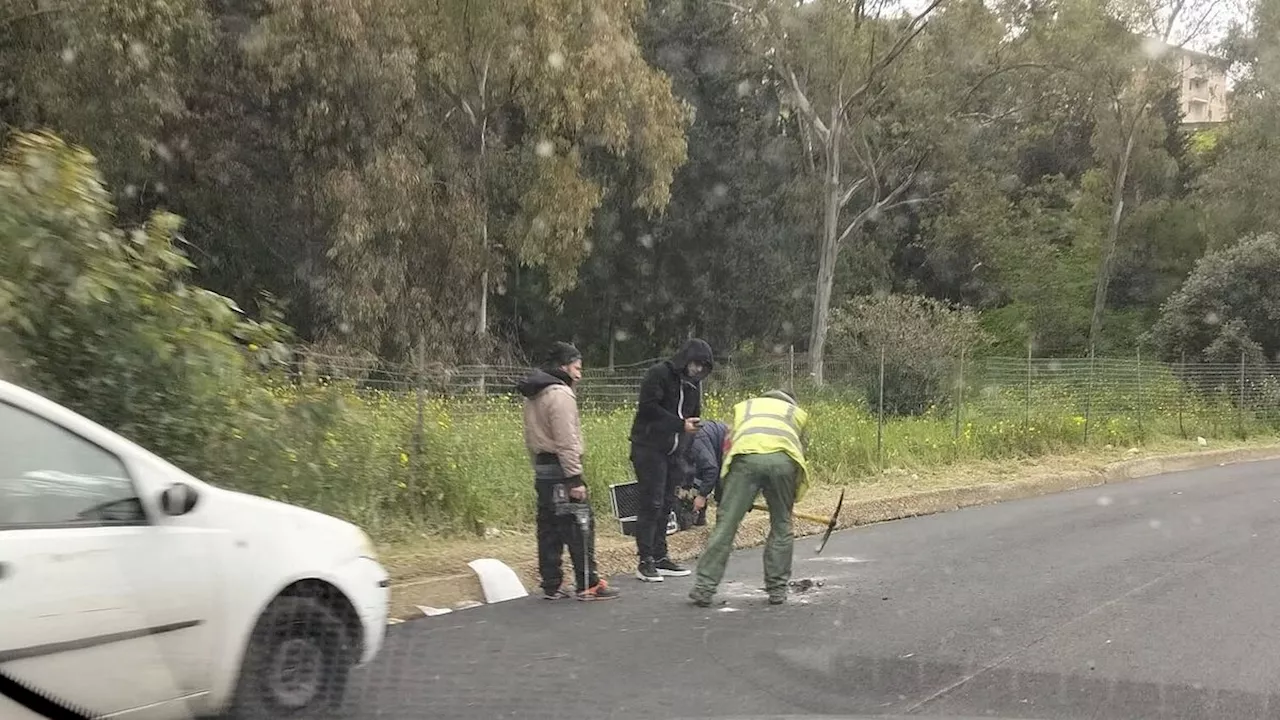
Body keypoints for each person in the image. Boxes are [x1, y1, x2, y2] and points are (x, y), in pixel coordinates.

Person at [517, 342, 619, 601]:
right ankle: (588, 582)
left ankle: (552, 583)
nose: (579, 374)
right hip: (562, 471)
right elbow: (566, 440)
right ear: (563, 367)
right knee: (579, 523)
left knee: (549, 527)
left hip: (543, 469)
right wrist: (574, 478)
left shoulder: (534, 394)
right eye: (576, 368)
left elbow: (530, 438)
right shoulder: (560, 395)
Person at [689, 390, 809, 607]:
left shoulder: (747, 408)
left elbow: (727, 450)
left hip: (745, 460)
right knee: (781, 525)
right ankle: (777, 590)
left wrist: (734, 495)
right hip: (783, 462)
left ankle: (704, 588)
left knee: (726, 526)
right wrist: (789, 499)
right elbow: (799, 455)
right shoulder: (795, 413)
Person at [628, 338, 714, 582]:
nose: (698, 370)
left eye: (703, 367)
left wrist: (690, 436)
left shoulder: (694, 386)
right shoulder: (658, 375)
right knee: (651, 503)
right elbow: (648, 409)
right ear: (686, 359)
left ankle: (660, 555)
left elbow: (693, 414)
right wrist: (679, 424)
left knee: (667, 504)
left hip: (675, 451)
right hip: (648, 447)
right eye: (696, 364)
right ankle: (645, 560)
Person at [689, 419, 729, 526]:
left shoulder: (695, 441)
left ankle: (723, 528)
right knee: (695, 476)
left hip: (727, 446)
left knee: (722, 489)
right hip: (712, 449)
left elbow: (711, 469)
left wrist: (702, 496)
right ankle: (700, 519)